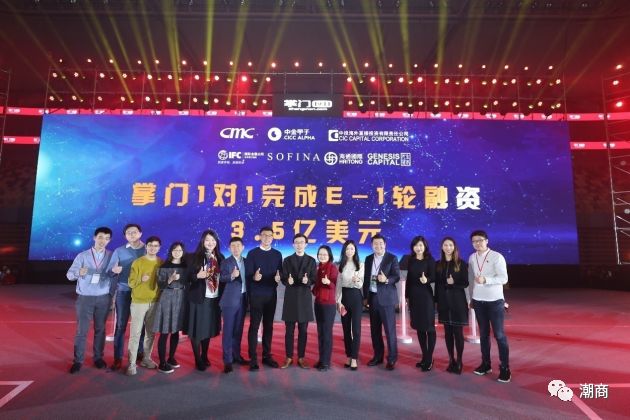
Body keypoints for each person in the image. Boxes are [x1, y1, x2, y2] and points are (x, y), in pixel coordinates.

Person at [66, 227, 114, 374]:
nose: (103, 241)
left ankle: (98, 358)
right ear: (94, 238)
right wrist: (78, 272)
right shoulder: (82, 256)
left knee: (100, 329)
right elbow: (69, 275)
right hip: (85, 298)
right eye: (100, 237)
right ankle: (78, 360)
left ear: (109, 240)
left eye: (106, 238)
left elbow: (114, 277)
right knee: (82, 331)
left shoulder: (112, 256)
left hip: (104, 297)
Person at [468, 230, 511, 383]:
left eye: (480, 240)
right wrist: (470, 298)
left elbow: (504, 278)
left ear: (487, 240)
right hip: (478, 301)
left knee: (499, 335)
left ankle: (505, 368)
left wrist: (486, 279)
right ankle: (486, 364)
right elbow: (471, 279)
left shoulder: (497, 256)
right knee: (484, 335)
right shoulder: (472, 257)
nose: (477, 243)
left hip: (495, 301)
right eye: (474, 241)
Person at [107, 223, 146, 371]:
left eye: (134, 232)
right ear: (125, 236)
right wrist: (114, 270)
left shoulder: (147, 249)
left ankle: (140, 352)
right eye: (128, 233)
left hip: (141, 292)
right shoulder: (119, 251)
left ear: (140, 233)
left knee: (141, 325)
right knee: (120, 325)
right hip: (124, 291)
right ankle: (117, 358)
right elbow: (110, 271)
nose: (132, 234)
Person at [185, 229, 224, 371]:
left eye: (213, 240)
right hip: (198, 298)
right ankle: (197, 359)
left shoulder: (220, 257)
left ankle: (204, 355)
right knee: (196, 330)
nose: (210, 243)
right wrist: (197, 276)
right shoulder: (193, 257)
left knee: (208, 329)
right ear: (202, 241)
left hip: (214, 299)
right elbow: (186, 277)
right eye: (207, 240)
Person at [245, 226, 283, 371]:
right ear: (260, 236)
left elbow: (280, 273)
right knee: (254, 326)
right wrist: (254, 277)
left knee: (269, 326)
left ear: (273, 238)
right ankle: (253, 358)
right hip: (256, 294)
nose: (267, 238)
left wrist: (279, 278)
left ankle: (267, 356)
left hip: (271, 295)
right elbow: (248, 274)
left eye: (269, 235)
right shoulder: (252, 253)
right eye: (264, 235)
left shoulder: (277, 254)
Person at [363, 234, 400, 371]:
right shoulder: (368, 259)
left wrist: (386, 280)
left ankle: (392, 358)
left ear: (385, 244)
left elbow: (396, 276)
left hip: (386, 298)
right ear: (371, 245)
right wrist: (365, 297)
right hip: (373, 297)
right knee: (375, 330)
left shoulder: (392, 258)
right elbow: (366, 278)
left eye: (380, 243)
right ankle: (378, 356)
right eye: (375, 244)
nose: (378, 246)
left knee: (389, 330)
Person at [126, 236, 162, 376]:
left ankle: (146, 359)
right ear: (146, 246)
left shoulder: (161, 262)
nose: (153, 248)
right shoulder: (138, 262)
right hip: (139, 302)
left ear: (159, 248)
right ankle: (131, 363)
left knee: (150, 333)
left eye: (156, 246)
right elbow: (131, 283)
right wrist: (141, 279)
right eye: (150, 245)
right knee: (135, 334)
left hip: (155, 301)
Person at [280, 233, 317, 369]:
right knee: (289, 331)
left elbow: (314, 278)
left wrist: (308, 281)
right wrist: (287, 281)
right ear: (293, 245)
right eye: (296, 242)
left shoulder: (311, 261)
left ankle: (301, 357)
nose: (299, 245)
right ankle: (288, 357)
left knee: (303, 331)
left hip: (304, 298)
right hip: (290, 298)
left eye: (302, 242)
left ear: (306, 244)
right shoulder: (287, 260)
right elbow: (283, 278)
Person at [402, 236, 436, 372]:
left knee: (429, 328)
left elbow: (434, 276)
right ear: (413, 247)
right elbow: (409, 279)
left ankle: (429, 358)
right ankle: (424, 356)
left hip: (426, 297)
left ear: (425, 246)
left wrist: (427, 280)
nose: (418, 248)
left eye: (421, 245)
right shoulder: (411, 260)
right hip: (414, 297)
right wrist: (406, 296)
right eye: (416, 245)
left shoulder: (430, 260)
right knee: (419, 327)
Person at [435, 237, 469, 374]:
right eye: (445, 245)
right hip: (444, 303)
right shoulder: (438, 264)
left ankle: (459, 361)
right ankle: (451, 359)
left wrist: (453, 283)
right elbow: (437, 283)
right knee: (448, 333)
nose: (448, 247)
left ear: (454, 247)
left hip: (457, 303)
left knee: (458, 333)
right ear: (442, 247)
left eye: (450, 245)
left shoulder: (461, 263)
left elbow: (465, 283)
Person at [153, 242, 187, 374]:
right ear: (171, 251)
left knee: (175, 330)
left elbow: (190, 280)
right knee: (165, 330)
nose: (177, 252)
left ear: (183, 252)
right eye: (175, 250)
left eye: (180, 250)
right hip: (167, 297)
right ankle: (162, 362)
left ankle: (171, 357)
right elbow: (160, 285)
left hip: (181, 298)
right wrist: (170, 279)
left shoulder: (186, 266)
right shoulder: (164, 266)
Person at [219, 237, 250, 374]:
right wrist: (231, 276)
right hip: (229, 301)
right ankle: (227, 360)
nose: (236, 248)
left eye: (238, 245)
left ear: (243, 247)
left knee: (238, 330)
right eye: (233, 246)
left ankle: (236, 356)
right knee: (228, 331)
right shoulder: (226, 262)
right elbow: (221, 278)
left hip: (243, 299)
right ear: (229, 248)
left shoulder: (247, 262)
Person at [336, 240, 364, 371]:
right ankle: (348, 355)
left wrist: (357, 281)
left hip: (356, 297)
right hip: (344, 298)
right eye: (347, 249)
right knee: (346, 330)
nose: (349, 251)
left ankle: (354, 358)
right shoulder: (340, 266)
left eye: (352, 249)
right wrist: (338, 301)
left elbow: (361, 284)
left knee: (356, 330)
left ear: (355, 251)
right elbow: (338, 286)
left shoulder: (360, 265)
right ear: (344, 251)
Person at [312, 245, 339, 371]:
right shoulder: (318, 268)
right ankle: (321, 359)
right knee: (321, 332)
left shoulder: (332, 267)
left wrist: (329, 283)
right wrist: (314, 290)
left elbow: (336, 285)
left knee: (327, 333)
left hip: (328, 304)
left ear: (329, 256)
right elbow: (316, 284)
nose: (322, 256)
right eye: (320, 254)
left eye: (325, 254)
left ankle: (326, 362)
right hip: (318, 302)